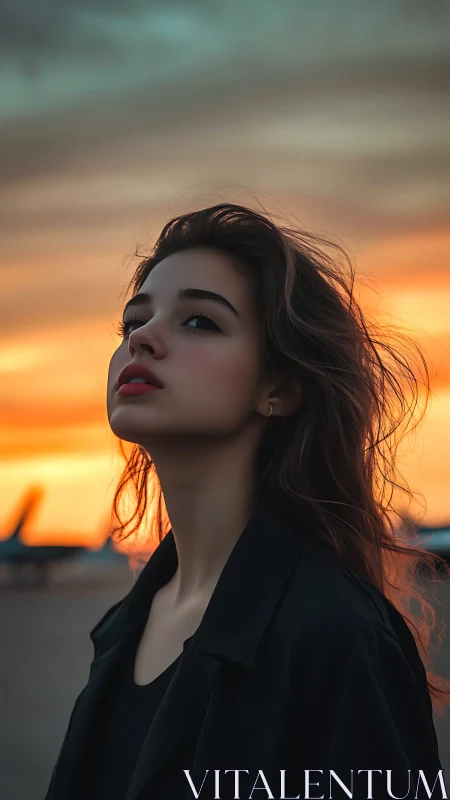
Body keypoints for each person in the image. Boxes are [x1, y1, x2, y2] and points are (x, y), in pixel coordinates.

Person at [44, 202, 449, 800]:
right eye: (134, 322)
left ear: (278, 389)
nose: (143, 339)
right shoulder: (125, 626)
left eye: (200, 322)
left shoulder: (339, 636)